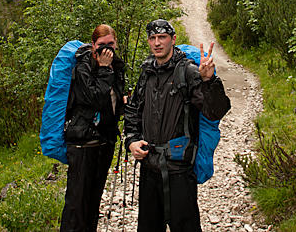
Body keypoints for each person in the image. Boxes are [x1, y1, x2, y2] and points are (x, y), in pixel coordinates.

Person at [124, 19, 231, 232]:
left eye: (162, 37)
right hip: (148, 167)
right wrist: (132, 141)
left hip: (179, 171)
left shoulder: (189, 72)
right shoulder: (146, 73)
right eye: (152, 38)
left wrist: (209, 82)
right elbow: (134, 111)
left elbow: (215, 112)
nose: (157, 43)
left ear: (173, 40)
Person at [60, 24, 126, 232]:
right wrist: (105, 69)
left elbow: (112, 103)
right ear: (92, 45)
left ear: (116, 44)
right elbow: (95, 98)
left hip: (103, 142)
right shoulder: (83, 67)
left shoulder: (117, 67)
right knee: (76, 206)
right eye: (101, 45)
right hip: (82, 144)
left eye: (110, 44)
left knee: (93, 202)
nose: (106, 50)